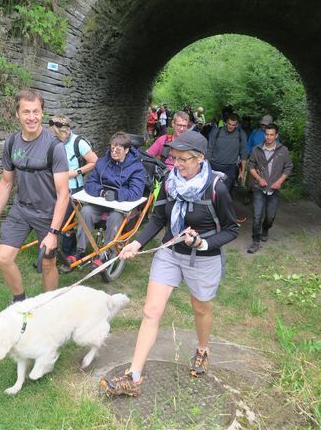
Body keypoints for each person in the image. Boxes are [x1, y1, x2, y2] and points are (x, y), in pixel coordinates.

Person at [99, 131, 239, 396]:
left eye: (183, 159)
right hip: (170, 253)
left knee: (200, 309)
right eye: (174, 158)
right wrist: (136, 243)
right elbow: (158, 218)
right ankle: (134, 377)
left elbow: (232, 229)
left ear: (199, 158)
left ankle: (202, 350)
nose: (177, 164)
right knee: (151, 311)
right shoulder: (169, 182)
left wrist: (202, 243)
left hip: (204, 258)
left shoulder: (216, 187)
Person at [0, 89, 70, 302]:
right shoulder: (12, 143)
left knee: (48, 262)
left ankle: (50, 306)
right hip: (21, 209)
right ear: (17, 115)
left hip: (48, 213)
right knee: (3, 258)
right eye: (26, 112)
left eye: (36, 112)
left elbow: (63, 193)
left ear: (42, 114)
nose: (32, 117)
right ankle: (20, 301)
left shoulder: (54, 147)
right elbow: (5, 182)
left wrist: (52, 232)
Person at [70, 131, 147, 268]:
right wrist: (101, 191)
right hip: (101, 201)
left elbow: (136, 191)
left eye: (118, 149)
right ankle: (80, 250)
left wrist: (116, 195)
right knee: (86, 211)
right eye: (112, 148)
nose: (114, 152)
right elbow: (89, 183)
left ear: (127, 150)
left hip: (121, 206)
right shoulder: (102, 162)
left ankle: (106, 252)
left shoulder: (136, 167)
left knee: (115, 217)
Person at [48, 115, 98, 263]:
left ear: (67, 130)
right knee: (53, 220)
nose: (59, 138)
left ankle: (67, 255)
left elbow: (94, 161)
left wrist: (75, 172)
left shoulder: (78, 142)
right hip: (53, 186)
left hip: (73, 189)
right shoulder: (51, 140)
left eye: (62, 135)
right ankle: (51, 251)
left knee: (65, 222)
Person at [246, 123, 293, 254]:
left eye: (272, 135)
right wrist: (259, 178)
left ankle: (265, 229)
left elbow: (288, 167)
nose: (269, 137)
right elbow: (251, 166)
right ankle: (255, 242)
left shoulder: (283, 150)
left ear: (276, 135)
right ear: (264, 135)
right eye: (267, 134)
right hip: (259, 188)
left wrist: (280, 181)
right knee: (257, 216)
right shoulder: (257, 149)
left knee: (270, 217)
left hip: (274, 189)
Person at [206, 112, 248, 194]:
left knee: (226, 191)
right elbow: (209, 150)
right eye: (229, 124)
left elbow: (243, 153)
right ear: (226, 122)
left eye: (233, 125)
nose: (230, 126)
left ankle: (224, 206)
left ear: (237, 124)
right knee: (211, 191)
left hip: (230, 168)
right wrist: (205, 166)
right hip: (214, 165)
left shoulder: (241, 134)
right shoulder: (216, 132)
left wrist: (242, 171)